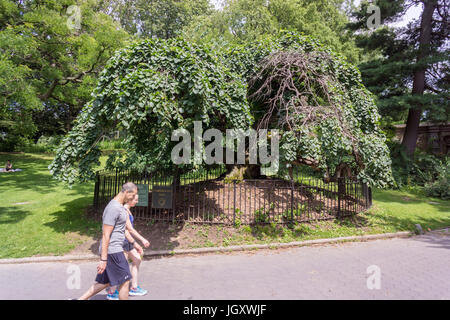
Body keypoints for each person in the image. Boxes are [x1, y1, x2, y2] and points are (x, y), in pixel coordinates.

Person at [78, 182, 141, 300]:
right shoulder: (113, 208)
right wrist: (103, 259)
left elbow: (124, 230)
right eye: (133, 195)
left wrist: (134, 244)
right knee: (125, 280)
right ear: (127, 192)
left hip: (116, 249)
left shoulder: (120, 207)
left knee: (106, 282)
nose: (134, 198)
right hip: (113, 250)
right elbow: (106, 235)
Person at [106, 193, 150, 300]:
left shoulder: (128, 210)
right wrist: (141, 240)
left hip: (128, 242)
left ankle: (134, 288)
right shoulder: (124, 211)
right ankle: (112, 292)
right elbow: (128, 229)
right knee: (121, 268)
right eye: (135, 200)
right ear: (129, 200)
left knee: (137, 259)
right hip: (122, 242)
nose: (137, 201)